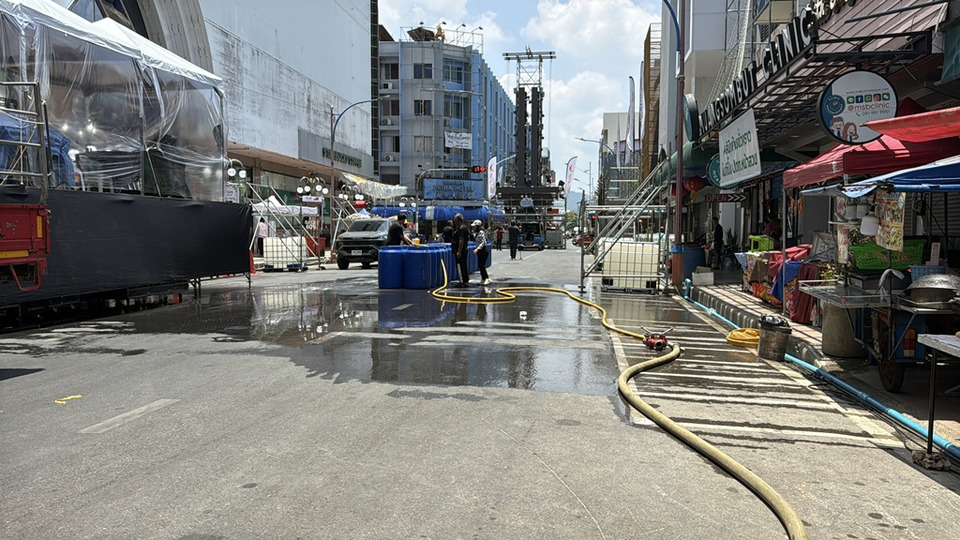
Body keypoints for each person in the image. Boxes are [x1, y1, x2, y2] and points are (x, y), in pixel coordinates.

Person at [452, 213, 471, 287]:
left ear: (458, 220)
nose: (454, 221)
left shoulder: (461, 229)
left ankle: (462, 281)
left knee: (460, 266)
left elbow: (461, 240)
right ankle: (465, 280)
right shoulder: (463, 228)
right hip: (463, 250)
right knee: (463, 265)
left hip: (461, 251)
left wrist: (459, 251)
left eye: (455, 219)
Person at [472, 220, 490, 285]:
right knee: (480, 265)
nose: (473, 227)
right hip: (480, 251)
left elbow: (483, 242)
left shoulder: (481, 232)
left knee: (481, 265)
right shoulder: (476, 233)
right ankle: (483, 278)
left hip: (483, 251)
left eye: (474, 226)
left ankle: (487, 278)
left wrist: (477, 249)